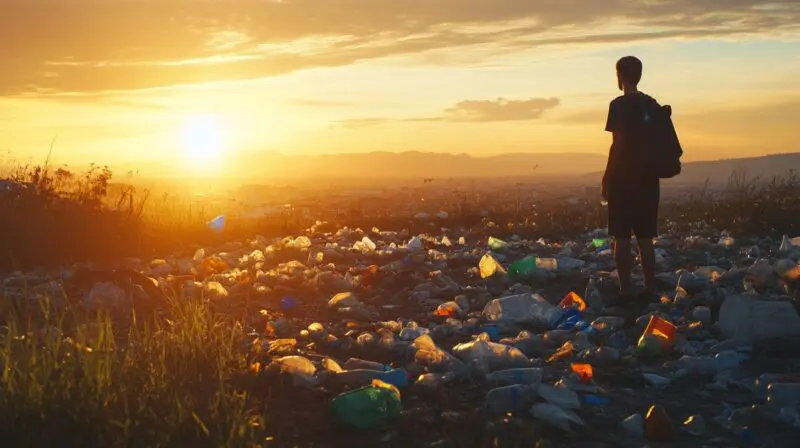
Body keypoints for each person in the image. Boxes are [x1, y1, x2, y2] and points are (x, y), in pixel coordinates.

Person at [601, 56, 660, 303]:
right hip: (648, 179)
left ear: (620, 75)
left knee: (621, 236)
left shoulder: (618, 105)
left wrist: (608, 177)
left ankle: (626, 289)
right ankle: (649, 287)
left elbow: (618, 145)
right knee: (645, 236)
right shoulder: (652, 105)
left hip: (624, 179)